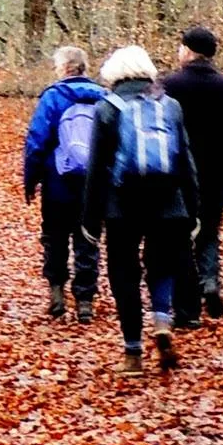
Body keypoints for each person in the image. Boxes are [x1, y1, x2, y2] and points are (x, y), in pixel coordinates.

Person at [82, 45, 201, 375]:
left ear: (114, 73)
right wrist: (193, 209)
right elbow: (185, 160)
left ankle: (133, 353)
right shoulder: (170, 106)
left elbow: (96, 168)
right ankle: (161, 321)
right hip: (169, 202)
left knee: (124, 274)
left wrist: (90, 219)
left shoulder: (107, 108)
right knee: (162, 266)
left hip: (122, 206)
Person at [160, 25, 223, 326]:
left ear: (188, 50)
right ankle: (209, 280)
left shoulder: (169, 86)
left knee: (179, 236)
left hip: (177, 174)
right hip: (216, 175)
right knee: (209, 231)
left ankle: (186, 298)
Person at [22, 46, 106, 323]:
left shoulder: (54, 97)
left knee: (55, 236)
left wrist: (31, 179)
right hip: (93, 183)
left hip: (58, 181)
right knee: (88, 238)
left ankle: (57, 292)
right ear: (84, 67)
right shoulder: (104, 97)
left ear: (64, 68)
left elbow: (37, 140)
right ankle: (85, 301)